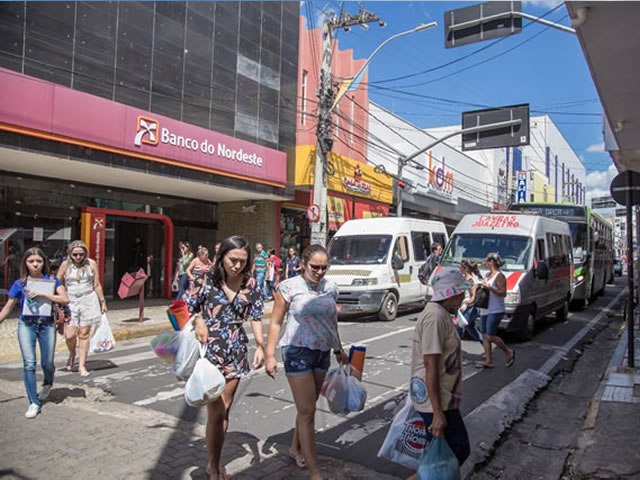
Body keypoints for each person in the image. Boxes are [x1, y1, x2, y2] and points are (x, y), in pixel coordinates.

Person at [265, 244, 348, 480]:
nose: (320, 272)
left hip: (322, 352)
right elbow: (275, 322)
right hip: (296, 351)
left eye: (324, 267)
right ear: (303, 263)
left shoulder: (331, 287)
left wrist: (338, 348)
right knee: (308, 411)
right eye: (315, 267)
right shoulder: (288, 287)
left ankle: (294, 448)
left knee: (306, 408)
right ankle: (315, 472)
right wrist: (270, 355)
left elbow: (332, 322)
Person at [192, 236, 265, 480]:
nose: (237, 265)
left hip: (235, 349)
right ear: (222, 256)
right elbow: (188, 307)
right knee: (216, 412)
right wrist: (199, 320)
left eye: (242, 262)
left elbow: (255, 316)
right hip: (210, 347)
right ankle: (213, 466)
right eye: (233, 260)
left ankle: (215, 461)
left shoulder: (251, 284)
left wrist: (261, 346)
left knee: (224, 409)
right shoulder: (207, 279)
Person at [408, 269, 470, 477]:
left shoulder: (442, 314)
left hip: (442, 395)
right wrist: (436, 412)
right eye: (461, 292)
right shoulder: (435, 317)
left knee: (444, 452)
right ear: (450, 294)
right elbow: (430, 364)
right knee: (458, 448)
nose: (464, 296)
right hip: (436, 398)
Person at [0, 247, 68, 418]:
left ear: (44, 262)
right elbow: (9, 306)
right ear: (26, 263)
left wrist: (45, 294)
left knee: (47, 363)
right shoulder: (20, 283)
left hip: (46, 325)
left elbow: (65, 298)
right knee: (29, 364)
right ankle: (34, 402)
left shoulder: (52, 280)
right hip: (26, 324)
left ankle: (47, 382)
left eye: (38, 261)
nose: (35, 264)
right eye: (31, 261)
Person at [56, 241, 108, 376]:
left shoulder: (91, 264)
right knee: (70, 334)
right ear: (70, 254)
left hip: (88, 299)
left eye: (81, 254)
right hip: (71, 300)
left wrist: (102, 301)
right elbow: (57, 281)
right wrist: (59, 298)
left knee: (84, 333)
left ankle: (82, 365)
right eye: (75, 254)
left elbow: (96, 284)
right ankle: (72, 352)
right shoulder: (65, 265)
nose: (78, 257)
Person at [477, 253, 515, 369]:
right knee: (484, 335)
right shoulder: (488, 274)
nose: (486, 263)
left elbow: (503, 293)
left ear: (492, 262)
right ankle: (489, 360)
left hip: (495, 309)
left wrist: (490, 288)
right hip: (485, 308)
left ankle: (508, 351)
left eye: (488, 261)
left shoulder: (499, 276)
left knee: (490, 335)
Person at [458, 260, 483, 344]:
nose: (459, 268)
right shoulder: (466, 279)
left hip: (471, 308)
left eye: (461, 267)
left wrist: (465, 304)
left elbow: (474, 297)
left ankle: (453, 353)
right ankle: (486, 346)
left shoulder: (471, 280)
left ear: (465, 269)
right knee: (470, 329)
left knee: (459, 327)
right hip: (467, 307)